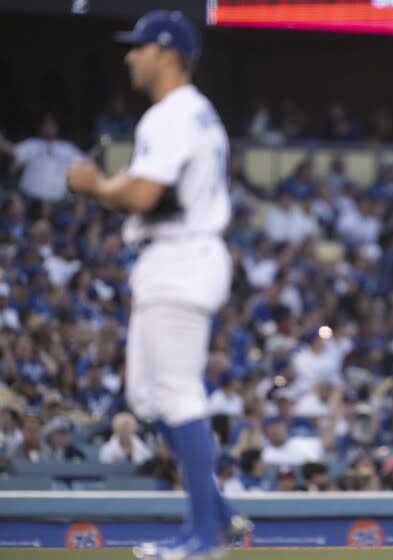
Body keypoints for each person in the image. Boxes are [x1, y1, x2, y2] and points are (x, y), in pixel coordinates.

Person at [66, 10, 250, 559]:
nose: (130, 56)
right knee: (147, 399)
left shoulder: (171, 113)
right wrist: (110, 185)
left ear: (167, 53)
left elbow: (144, 195)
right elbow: (152, 189)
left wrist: (95, 184)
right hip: (174, 254)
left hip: (180, 255)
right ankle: (217, 517)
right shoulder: (193, 113)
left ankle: (203, 537)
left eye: (139, 47)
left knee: (173, 394)